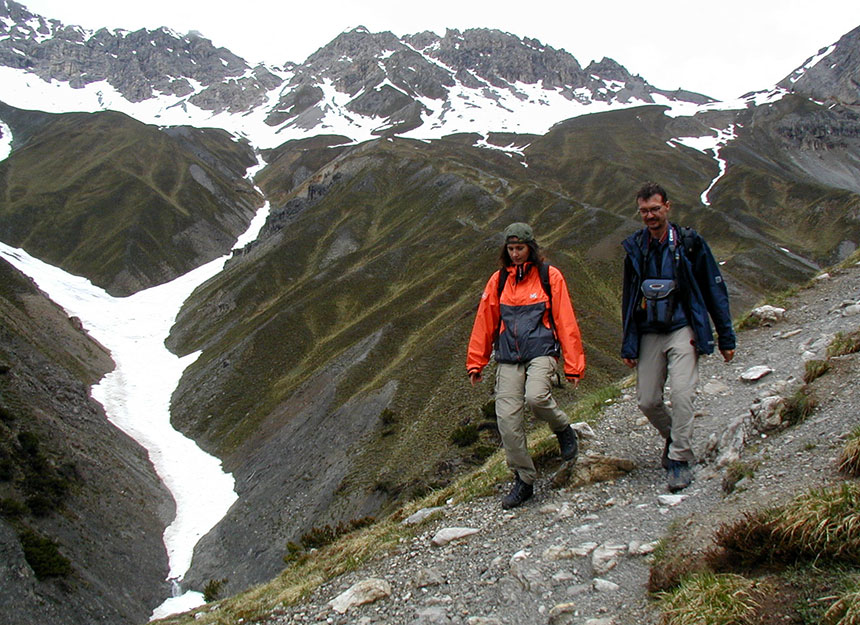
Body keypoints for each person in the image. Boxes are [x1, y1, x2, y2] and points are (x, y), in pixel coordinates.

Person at [621, 182, 736, 492]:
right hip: (648, 332)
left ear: (667, 207)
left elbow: (714, 290)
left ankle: (679, 459)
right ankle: (675, 437)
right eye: (644, 211)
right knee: (648, 400)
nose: (650, 216)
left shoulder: (690, 244)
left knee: (683, 395)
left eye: (655, 209)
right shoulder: (635, 248)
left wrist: (725, 338)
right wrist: (628, 343)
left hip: (683, 328)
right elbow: (629, 299)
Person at [467, 222, 585, 509]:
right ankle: (524, 479)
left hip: (542, 352)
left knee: (536, 398)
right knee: (507, 421)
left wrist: (573, 365)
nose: (516, 254)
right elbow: (485, 321)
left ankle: (562, 428)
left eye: (520, 248)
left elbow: (565, 320)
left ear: (531, 248)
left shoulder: (549, 276)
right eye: (511, 249)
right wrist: (476, 362)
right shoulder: (498, 281)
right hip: (508, 357)